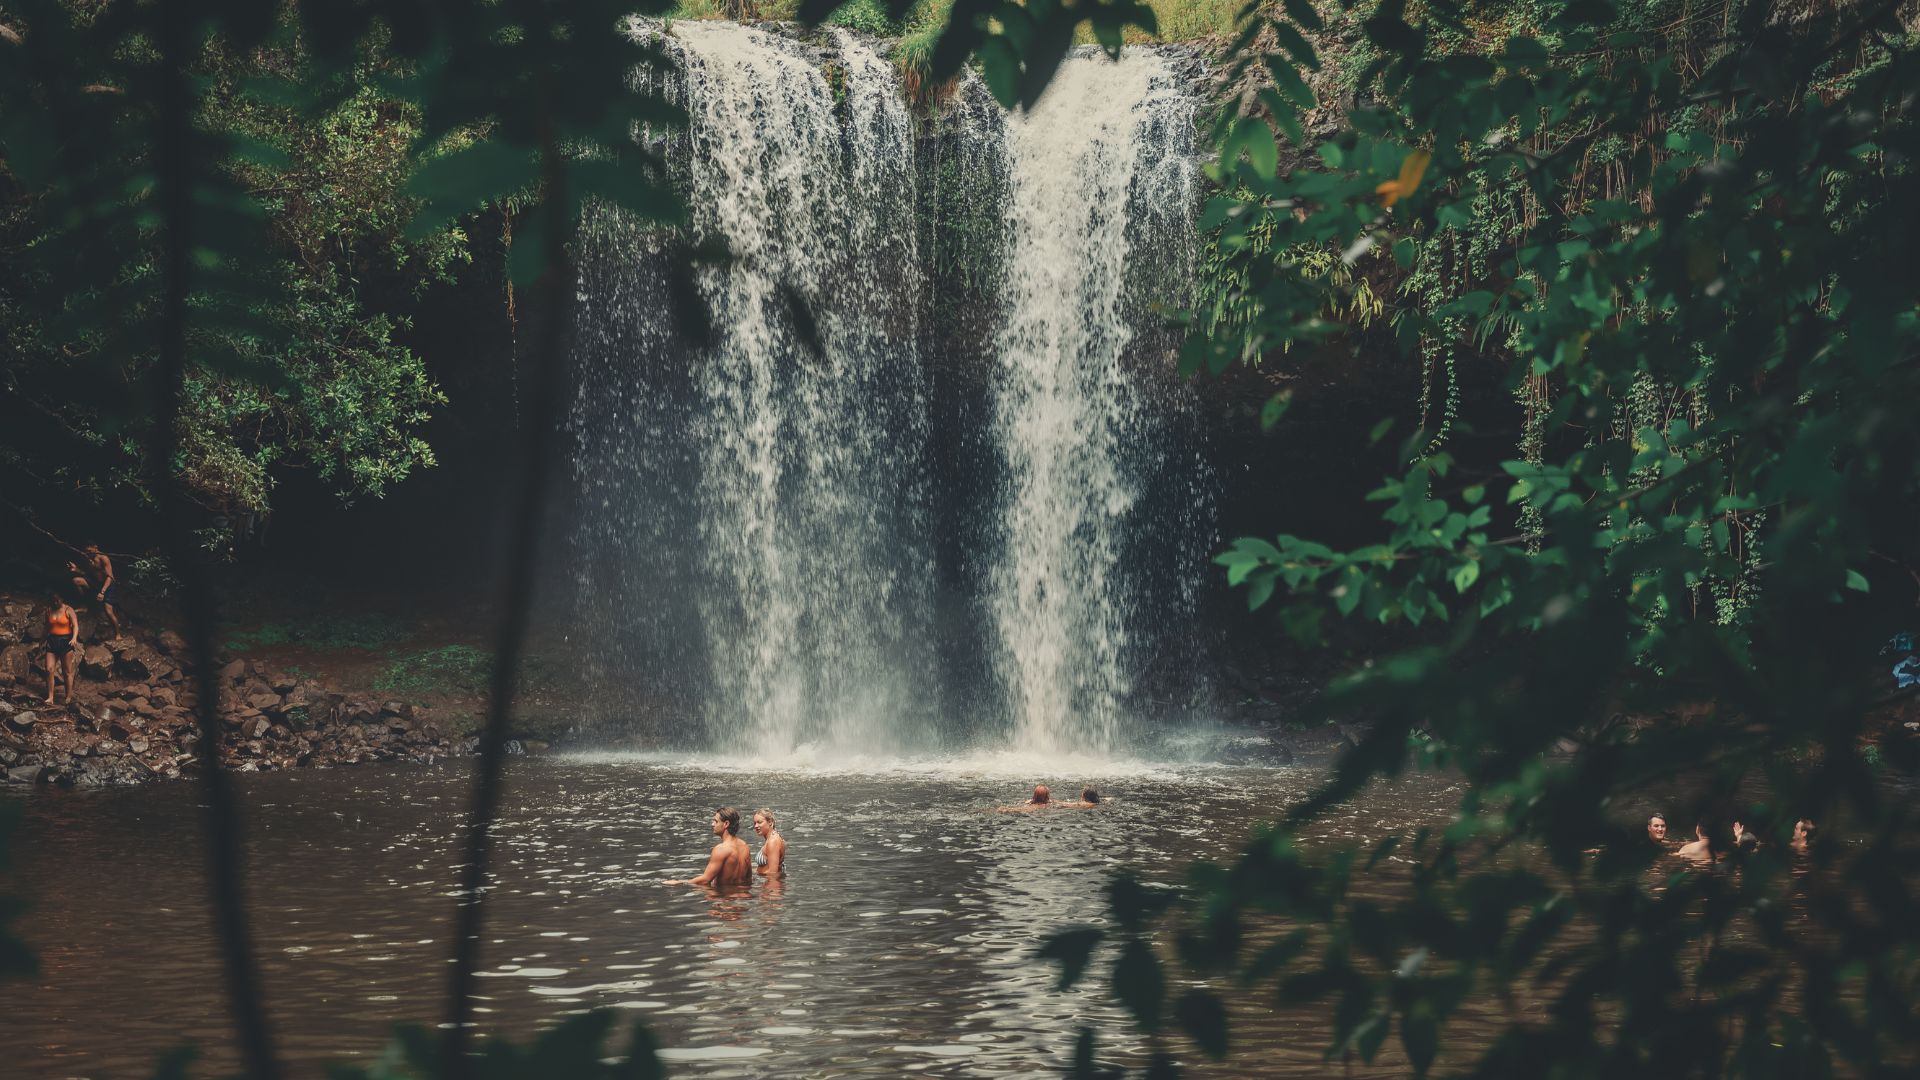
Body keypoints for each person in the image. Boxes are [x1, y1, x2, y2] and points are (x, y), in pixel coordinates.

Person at [665, 807, 752, 888]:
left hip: (725, 900)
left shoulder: (721, 849)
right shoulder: (745, 846)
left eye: (716, 821)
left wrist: (680, 882)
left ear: (726, 824)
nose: (712, 824)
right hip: (742, 899)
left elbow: (706, 880)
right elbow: (749, 878)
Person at [67, 544, 119, 640]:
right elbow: (88, 574)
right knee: (76, 581)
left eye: (90, 550)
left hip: (108, 585)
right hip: (96, 583)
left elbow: (110, 577)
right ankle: (85, 605)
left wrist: (102, 592)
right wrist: (75, 569)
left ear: (95, 547)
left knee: (108, 611)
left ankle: (118, 633)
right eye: (86, 551)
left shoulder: (103, 558)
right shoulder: (89, 558)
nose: (88, 552)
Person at [42, 590, 80, 706]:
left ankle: (68, 696)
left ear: (62, 599)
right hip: (52, 641)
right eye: (53, 600)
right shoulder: (49, 611)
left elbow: (75, 626)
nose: (55, 602)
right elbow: (46, 628)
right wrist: (41, 642)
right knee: (49, 669)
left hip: (66, 641)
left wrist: (74, 638)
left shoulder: (68, 610)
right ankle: (50, 697)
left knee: (67, 671)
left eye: (57, 600)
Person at [751, 808, 786, 877]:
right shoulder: (771, 838)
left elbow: (773, 873)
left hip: (772, 886)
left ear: (769, 822)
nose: (756, 826)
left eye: (759, 822)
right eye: (754, 823)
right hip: (768, 884)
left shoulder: (773, 842)